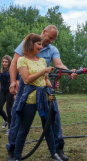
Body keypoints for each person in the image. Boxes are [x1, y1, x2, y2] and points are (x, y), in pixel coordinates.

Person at [7, 25, 78, 161]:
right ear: (44, 32)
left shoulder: (52, 50)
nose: (51, 41)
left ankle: (57, 150)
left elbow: (59, 65)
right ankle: (13, 150)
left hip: (44, 90)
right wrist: (12, 81)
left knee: (54, 118)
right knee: (18, 121)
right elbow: (14, 62)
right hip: (26, 90)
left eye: (54, 39)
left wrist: (70, 72)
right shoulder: (27, 43)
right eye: (50, 37)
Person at [14, 33, 63, 161]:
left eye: (41, 45)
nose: (41, 47)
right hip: (30, 100)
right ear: (31, 44)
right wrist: (43, 71)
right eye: (39, 44)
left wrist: (51, 85)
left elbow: (45, 80)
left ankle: (53, 154)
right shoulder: (22, 60)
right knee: (24, 129)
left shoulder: (41, 61)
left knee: (48, 128)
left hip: (44, 98)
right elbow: (27, 79)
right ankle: (17, 157)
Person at [0, 55, 20, 135]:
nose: (4, 63)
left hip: (10, 91)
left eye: (6, 61)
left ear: (10, 62)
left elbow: (17, 81)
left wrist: (16, 92)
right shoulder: (1, 71)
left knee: (9, 109)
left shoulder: (14, 70)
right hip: (2, 91)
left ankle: (10, 128)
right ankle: (6, 119)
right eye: (3, 61)